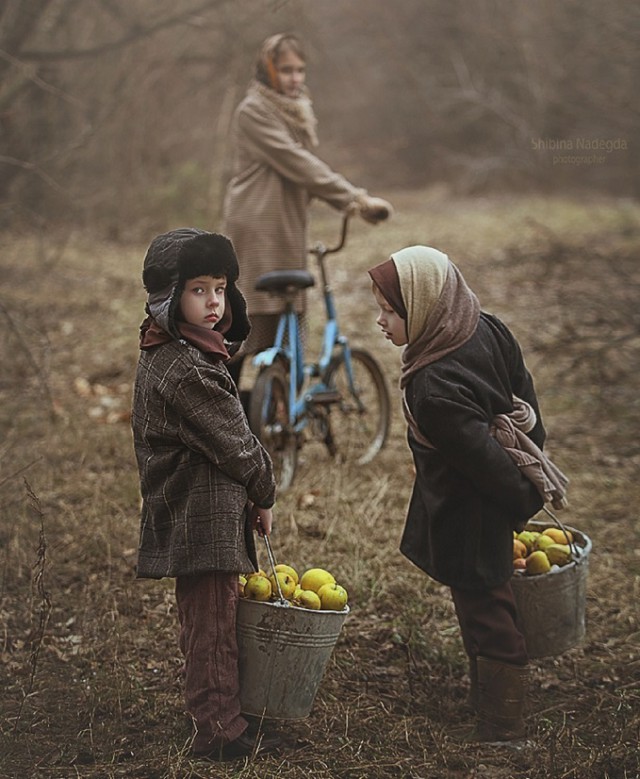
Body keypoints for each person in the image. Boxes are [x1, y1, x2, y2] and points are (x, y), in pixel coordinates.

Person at [368, 246, 568, 743]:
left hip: (470, 507)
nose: (380, 321)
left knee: (487, 608)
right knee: (479, 599)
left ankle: (505, 726)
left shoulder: (432, 385)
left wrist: (520, 501)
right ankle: (488, 697)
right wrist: (531, 456)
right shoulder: (483, 324)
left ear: (424, 307)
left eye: (391, 311)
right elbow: (526, 401)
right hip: (489, 499)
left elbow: (482, 459)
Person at [131, 227, 281, 761]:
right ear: (168, 296)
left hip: (203, 506)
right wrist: (264, 490)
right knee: (214, 621)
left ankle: (217, 707)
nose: (214, 302)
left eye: (220, 288)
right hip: (201, 512)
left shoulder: (181, 348)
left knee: (209, 614)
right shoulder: (186, 367)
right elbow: (238, 444)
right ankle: (220, 729)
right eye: (198, 290)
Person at [222, 32, 393, 386]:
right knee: (248, 319)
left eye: (300, 70)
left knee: (287, 312)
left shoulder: (294, 110)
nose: (295, 78)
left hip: (286, 223)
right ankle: (224, 410)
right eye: (286, 70)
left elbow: (302, 168)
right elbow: (297, 162)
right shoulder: (253, 110)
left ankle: (276, 407)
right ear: (268, 69)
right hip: (258, 224)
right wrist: (355, 199)